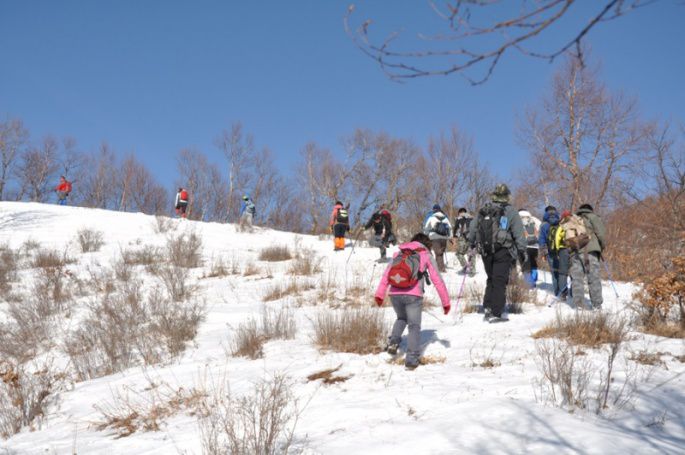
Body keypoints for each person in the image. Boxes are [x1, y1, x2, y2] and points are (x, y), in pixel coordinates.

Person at [374, 232, 451, 370]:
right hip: (413, 295)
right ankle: (411, 359)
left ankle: (393, 342)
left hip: (394, 293)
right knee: (414, 326)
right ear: (427, 244)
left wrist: (380, 295)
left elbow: (386, 275)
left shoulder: (399, 253)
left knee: (401, 318)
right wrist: (445, 303)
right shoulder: (425, 254)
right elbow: (437, 280)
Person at [468, 184, 527, 323]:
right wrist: (521, 250)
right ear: (507, 195)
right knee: (499, 280)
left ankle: (488, 307)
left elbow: (473, 227)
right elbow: (518, 232)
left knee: (491, 278)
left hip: (486, 250)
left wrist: (472, 242)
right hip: (503, 250)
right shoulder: (511, 211)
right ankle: (496, 312)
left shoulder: (484, 209)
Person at [570, 204, 606, 310]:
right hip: (591, 252)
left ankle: (579, 305)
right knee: (593, 278)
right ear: (590, 209)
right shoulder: (593, 217)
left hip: (575, 253)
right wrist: (601, 247)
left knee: (577, 279)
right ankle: (597, 305)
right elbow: (601, 234)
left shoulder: (573, 219)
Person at [547, 210, 572, 301]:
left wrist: (557, 250)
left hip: (563, 249)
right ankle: (573, 293)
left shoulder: (562, 225)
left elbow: (557, 237)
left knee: (563, 273)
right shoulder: (575, 224)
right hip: (574, 250)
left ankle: (563, 294)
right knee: (573, 272)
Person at [424, 204, 452, 272]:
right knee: (440, 253)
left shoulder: (431, 217)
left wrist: (426, 235)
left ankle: (439, 269)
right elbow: (450, 228)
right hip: (444, 238)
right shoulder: (445, 218)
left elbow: (426, 228)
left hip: (434, 237)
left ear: (434, 210)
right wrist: (450, 237)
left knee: (438, 253)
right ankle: (441, 267)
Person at [518, 209, 542, 287]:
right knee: (533, 263)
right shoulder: (533, 219)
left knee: (526, 266)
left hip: (523, 246)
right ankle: (534, 280)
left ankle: (529, 285)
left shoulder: (517, 218)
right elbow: (541, 227)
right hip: (535, 247)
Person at [453, 207, 475, 276]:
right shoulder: (471, 218)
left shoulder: (459, 218)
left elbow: (455, 229)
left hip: (462, 238)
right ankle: (472, 271)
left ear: (459, 213)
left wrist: (454, 238)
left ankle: (465, 266)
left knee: (459, 253)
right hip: (471, 238)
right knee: (471, 254)